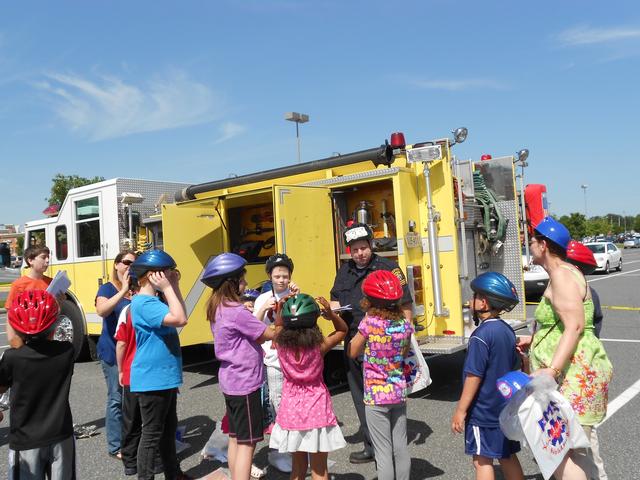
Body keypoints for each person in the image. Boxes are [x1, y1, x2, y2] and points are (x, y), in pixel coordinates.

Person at [517, 217, 612, 480]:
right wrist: (533, 341)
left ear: (544, 245)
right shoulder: (563, 273)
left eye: (533, 241)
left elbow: (575, 326)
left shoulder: (561, 274)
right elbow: (562, 325)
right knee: (574, 449)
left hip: (572, 374)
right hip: (572, 372)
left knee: (565, 450)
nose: (530, 245)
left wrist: (552, 369)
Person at [329, 222, 413, 464]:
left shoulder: (389, 268)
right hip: (354, 341)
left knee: (387, 399)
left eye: (363, 248)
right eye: (354, 250)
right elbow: (336, 299)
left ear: (371, 246)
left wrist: (405, 337)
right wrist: (329, 311)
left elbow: (405, 304)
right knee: (360, 397)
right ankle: (371, 446)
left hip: (383, 346)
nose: (360, 254)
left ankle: (388, 452)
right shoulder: (344, 271)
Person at [201, 253, 280, 480]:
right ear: (231, 283)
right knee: (248, 444)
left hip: (231, 381)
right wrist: (282, 316)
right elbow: (268, 333)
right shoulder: (236, 311)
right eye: (242, 279)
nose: (245, 284)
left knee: (236, 438)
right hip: (246, 384)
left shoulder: (218, 307)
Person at [451, 272, 524, 480]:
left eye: (474, 296)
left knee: (481, 460)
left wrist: (461, 410)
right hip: (504, 408)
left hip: (482, 412)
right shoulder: (506, 330)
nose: (469, 300)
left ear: (483, 303)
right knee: (506, 456)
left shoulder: (480, 336)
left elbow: (474, 376)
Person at [269, 294, 348, 480]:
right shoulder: (319, 346)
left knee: (297, 468)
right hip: (317, 409)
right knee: (319, 470)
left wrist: (281, 308)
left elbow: (278, 326)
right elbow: (342, 330)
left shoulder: (280, 343)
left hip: (291, 411)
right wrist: (330, 313)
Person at [0, 290, 76, 479]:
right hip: (61, 433)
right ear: (53, 324)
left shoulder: (12, 358)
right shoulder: (66, 352)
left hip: (26, 438)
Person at [129, 250, 191, 480]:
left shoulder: (154, 301)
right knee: (152, 434)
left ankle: (173, 474)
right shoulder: (144, 302)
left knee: (167, 433)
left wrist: (173, 287)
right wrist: (167, 289)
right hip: (152, 379)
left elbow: (181, 313)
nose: (169, 276)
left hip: (164, 377)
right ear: (152, 275)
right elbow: (180, 319)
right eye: (166, 272)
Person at [347, 270, 414, 480]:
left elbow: (352, 351)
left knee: (383, 451)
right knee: (400, 446)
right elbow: (403, 353)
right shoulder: (405, 324)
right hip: (398, 392)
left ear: (370, 300)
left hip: (376, 396)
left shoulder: (370, 324)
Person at [565, 239, 607, 480]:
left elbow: (577, 332)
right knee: (579, 435)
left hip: (578, 373)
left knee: (584, 437)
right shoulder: (580, 291)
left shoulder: (582, 295)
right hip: (578, 372)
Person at [253, 254, 299, 473]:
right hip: (271, 358)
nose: (281, 279)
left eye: (285, 276)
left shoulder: (295, 294)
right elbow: (253, 324)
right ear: (269, 276)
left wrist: (297, 298)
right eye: (277, 275)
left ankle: (291, 448)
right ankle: (279, 451)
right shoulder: (262, 298)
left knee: (291, 400)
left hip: (292, 356)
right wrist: (265, 308)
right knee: (276, 401)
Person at [95, 250, 137, 460]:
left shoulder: (136, 289)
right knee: (116, 398)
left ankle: (131, 439)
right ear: (117, 265)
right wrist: (123, 291)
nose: (130, 265)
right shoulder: (107, 288)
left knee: (131, 398)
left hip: (133, 353)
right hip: (112, 351)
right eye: (127, 262)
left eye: (134, 263)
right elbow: (102, 311)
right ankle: (115, 445)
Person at [5, 245, 54, 348]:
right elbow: (10, 313)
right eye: (43, 257)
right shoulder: (19, 285)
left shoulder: (51, 282)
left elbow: (52, 311)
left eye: (48, 257)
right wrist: (13, 340)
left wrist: (59, 301)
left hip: (46, 335)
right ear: (30, 260)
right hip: (24, 337)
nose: (47, 260)